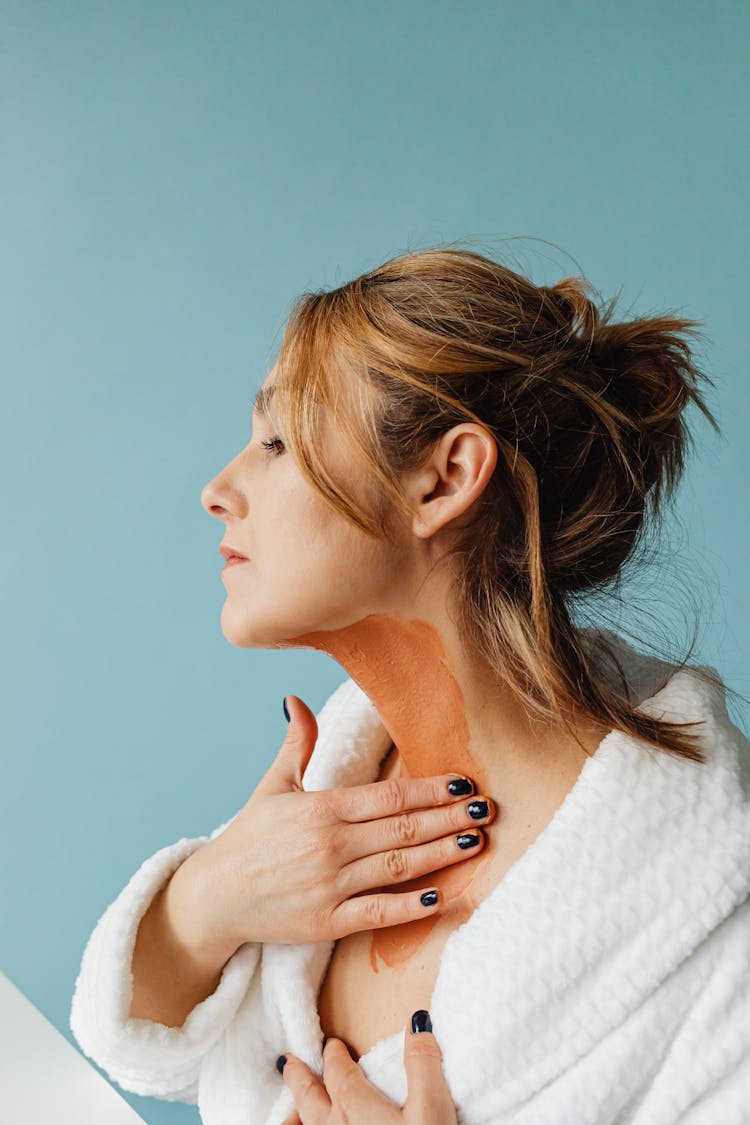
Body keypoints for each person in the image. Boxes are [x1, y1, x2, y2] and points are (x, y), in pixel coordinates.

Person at [70, 244, 750, 1125]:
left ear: (446, 477)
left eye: (277, 441)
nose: (217, 489)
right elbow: (151, 1031)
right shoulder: (339, 798)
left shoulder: (712, 930)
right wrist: (209, 896)